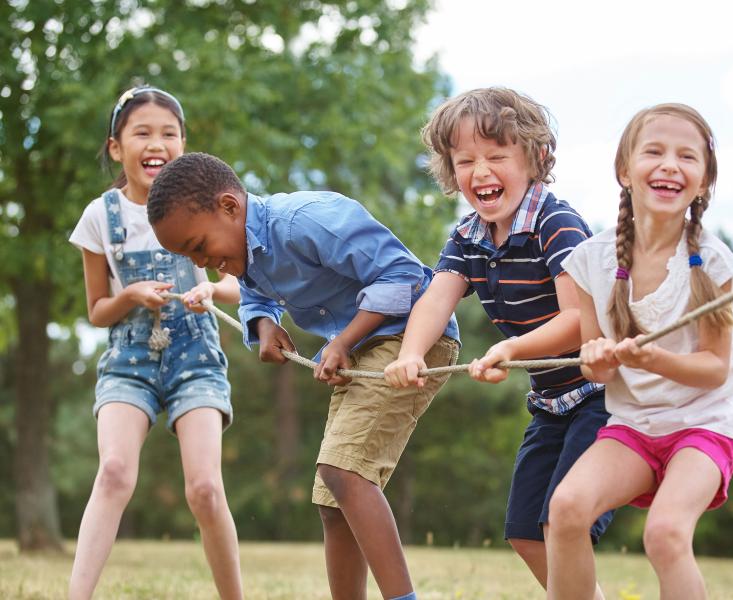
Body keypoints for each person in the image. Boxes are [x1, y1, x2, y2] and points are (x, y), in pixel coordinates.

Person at [146, 151, 460, 600]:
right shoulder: (247, 254)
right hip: (362, 348)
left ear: (230, 207)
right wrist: (264, 325)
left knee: (343, 473)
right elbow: (255, 296)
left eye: (199, 247)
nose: (207, 263)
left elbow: (403, 274)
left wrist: (343, 341)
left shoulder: (305, 220)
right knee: (333, 500)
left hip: (411, 338)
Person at [384, 87, 612, 596]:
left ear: (533, 157)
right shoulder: (468, 237)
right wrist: (410, 353)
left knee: (561, 520)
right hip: (552, 402)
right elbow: (435, 301)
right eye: (465, 160)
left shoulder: (556, 224)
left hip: (603, 395)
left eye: (496, 156)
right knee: (525, 533)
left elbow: (577, 319)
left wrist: (510, 349)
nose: (480, 171)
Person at [547, 103, 733, 600]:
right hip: (634, 426)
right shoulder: (591, 261)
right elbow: (596, 362)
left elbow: (713, 370)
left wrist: (651, 359)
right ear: (625, 170)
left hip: (703, 426)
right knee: (566, 509)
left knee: (665, 534)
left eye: (687, 157)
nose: (669, 165)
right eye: (654, 152)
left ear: (703, 182)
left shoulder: (716, 265)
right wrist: (598, 363)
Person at [68, 86, 243, 600]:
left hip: (196, 358)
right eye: (142, 132)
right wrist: (132, 297)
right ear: (117, 147)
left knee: (205, 489)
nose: (157, 143)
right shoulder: (100, 216)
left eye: (169, 133)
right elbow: (98, 310)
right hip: (129, 360)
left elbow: (238, 283)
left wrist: (211, 286)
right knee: (115, 472)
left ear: (183, 145)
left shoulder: (208, 205)